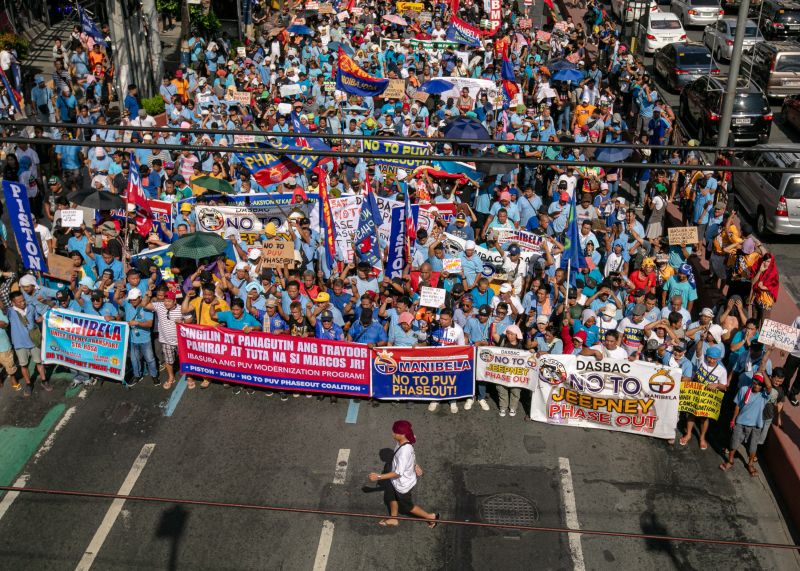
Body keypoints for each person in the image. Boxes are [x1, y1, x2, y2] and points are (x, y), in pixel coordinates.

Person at [368, 420, 440, 528]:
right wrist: (415, 465)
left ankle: (430, 517)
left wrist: (378, 476)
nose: (392, 434)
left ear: (402, 434)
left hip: (403, 485)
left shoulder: (403, 453)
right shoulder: (406, 442)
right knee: (390, 495)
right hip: (396, 481)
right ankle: (394, 519)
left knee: (407, 507)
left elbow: (398, 473)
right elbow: (412, 454)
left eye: (394, 432)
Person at [720, 372, 772, 477]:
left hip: (756, 426)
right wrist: (733, 420)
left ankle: (750, 464)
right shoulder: (744, 390)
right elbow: (738, 406)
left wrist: (763, 371)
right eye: (755, 383)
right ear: (752, 382)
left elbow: (769, 386)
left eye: (760, 384)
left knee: (753, 448)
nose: (757, 386)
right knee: (734, 443)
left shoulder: (764, 395)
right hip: (740, 422)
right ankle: (730, 461)